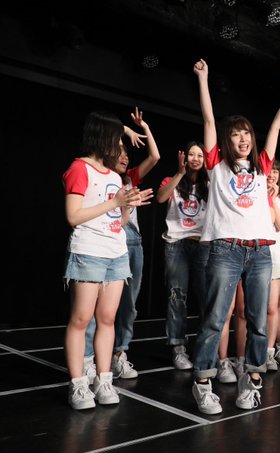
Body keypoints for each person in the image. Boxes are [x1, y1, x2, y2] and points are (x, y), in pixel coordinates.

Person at [191, 58, 280, 414]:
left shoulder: (262, 168)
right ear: (227, 139)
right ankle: (203, 383)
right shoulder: (216, 166)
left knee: (258, 322)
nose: (243, 139)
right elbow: (208, 120)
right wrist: (203, 79)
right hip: (226, 249)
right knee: (215, 318)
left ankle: (251, 382)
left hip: (261, 251)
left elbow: (276, 126)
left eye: (247, 133)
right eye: (236, 134)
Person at [63, 111, 152, 410]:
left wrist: (128, 205)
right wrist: (115, 201)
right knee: (81, 319)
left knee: (107, 319)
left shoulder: (114, 176)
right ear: (103, 139)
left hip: (116, 253)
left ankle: (104, 380)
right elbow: (73, 216)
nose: (120, 148)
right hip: (89, 251)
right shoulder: (80, 168)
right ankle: (78, 384)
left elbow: (118, 220)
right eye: (117, 141)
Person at [83, 107, 160, 382]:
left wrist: (144, 128)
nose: (125, 156)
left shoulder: (131, 178)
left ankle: (119, 353)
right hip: (105, 238)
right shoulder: (98, 174)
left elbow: (155, 156)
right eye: (119, 151)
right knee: (95, 306)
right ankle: (88, 359)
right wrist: (124, 129)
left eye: (127, 153)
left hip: (132, 241)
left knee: (129, 304)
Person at [156, 142, 210, 370]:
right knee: (176, 296)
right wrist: (179, 173)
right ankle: (178, 348)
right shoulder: (172, 180)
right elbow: (160, 198)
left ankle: (206, 348)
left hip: (202, 244)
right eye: (191, 154)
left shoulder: (210, 184)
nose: (196, 158)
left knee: (207, 297)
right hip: (176, 244)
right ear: (184, 158)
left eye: (200, 155)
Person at [265, 160, 280, 370]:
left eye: (276, 172)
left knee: (273, 307)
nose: (272, 175)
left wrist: (272, 199)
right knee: (247, 310)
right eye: (269, 171)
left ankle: (269, 352)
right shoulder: (253, 194)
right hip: (253, 255)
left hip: (274, 256)